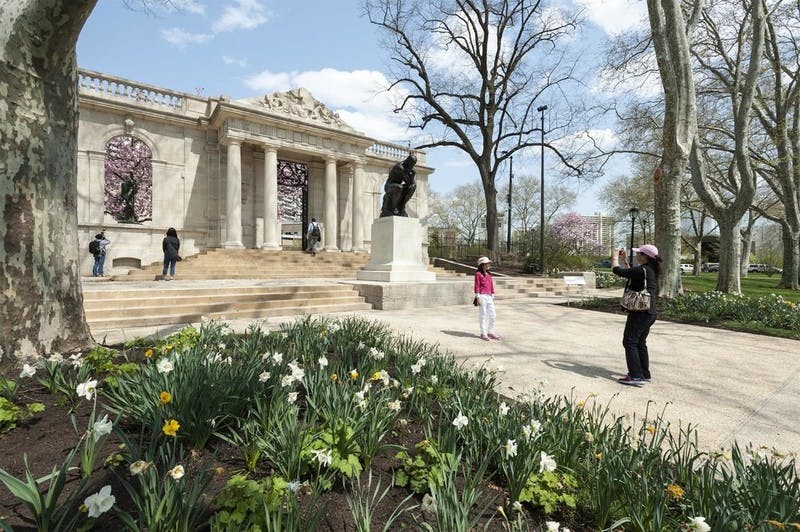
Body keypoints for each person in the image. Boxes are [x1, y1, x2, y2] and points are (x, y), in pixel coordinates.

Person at [611, 244, 661, 386]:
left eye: (639, 253)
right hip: (649, 312)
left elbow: (618, 271)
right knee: (639, 343)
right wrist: (625, 261)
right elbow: (631, 273)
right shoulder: (649, 270)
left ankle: (636, 376)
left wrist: (615, 258)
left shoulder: (642, 270)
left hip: (640, 312)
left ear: (645, 256)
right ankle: (644, 374)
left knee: (629, 342)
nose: (637, 255)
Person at [474, 256, 500, 341]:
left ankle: (490, 332)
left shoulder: (489, 275)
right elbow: (477, 285)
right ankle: (483, 333)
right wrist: (477, 296)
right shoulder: (478, 274)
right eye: (487, 263)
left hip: (489, 296)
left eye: (489, 263)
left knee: (493, 315)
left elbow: (491, 285)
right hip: (482, 296)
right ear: (482, 265)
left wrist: (492, 294)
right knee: (483, 315)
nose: (489, 264)